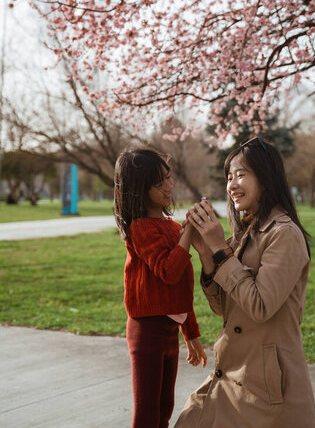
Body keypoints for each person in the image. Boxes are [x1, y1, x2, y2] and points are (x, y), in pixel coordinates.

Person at [174, 137, 315, 428]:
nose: (232, 185)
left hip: (266, 388)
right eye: (229, 177)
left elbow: (260, 306)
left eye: (241, 174)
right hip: (230, 377)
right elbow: (223, 309)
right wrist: (206, 254)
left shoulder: (284, 234)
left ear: (266, 177)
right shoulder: (246, 233)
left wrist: (219, 246)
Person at [114, 148, 207, 428]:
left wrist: (190, 333)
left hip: (168, 332)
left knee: (164, 408)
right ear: (139, 190)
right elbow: (168, 272)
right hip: (147, 332)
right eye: (158, 183)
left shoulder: (171, 226)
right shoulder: (141, 228)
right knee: (147, 414)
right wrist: (188, 232)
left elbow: (181, 286)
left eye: (168, 177)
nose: (168, 186)